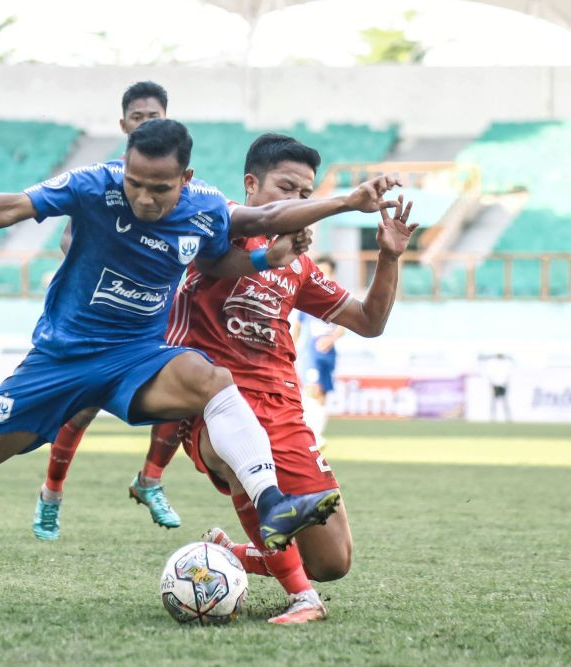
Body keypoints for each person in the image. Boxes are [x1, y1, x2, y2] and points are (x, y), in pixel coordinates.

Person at [0, 119, 401, 607]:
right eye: (135, 183)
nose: (144, 199)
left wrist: (348, 204)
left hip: (136, 358)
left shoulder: (204, 211)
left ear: (187, 181)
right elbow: (13, 205)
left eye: (158, 188)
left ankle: (272, 503)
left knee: (211, 381)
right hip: (62, 358)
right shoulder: (93, 187)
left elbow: (256, 227)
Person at [158, 133, 416, 623]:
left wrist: (388, 257)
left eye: (305, 192)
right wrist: (339, 204)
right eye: (287, 187)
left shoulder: (297, 264)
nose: (297, 200)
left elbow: (369, 322)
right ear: (251, 183)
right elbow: (268, 223)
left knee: (333, 561)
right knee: (227, 451)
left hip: (285, 409)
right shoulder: (219, 223)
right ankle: (303, 599)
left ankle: (233, 555)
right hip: (217, 395)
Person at [36, 80, 184, 540]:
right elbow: (66, 237)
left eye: (156, 116)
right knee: (79, 412)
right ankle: (51, 494)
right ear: (124, 125)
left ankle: (150, 481)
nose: (148, 123)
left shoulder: (176, 185)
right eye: (139, 117)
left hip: (147, 323)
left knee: (183, 397)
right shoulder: (97, 182)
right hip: (94, 321)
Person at [293, 256, 345, 446]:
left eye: (326, 271)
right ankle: (310, 434)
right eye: (319, 270)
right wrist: (290, 347)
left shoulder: (337, 298)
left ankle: (316, 433)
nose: (322, 274)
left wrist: (331, 339)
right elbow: (297, 326)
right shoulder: (306, 295)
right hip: (309, 352)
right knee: (312, 390)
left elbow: (342, 327)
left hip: (328, 354)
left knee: (322, 393)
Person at [483, 352, 513, 421]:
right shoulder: (493, 363)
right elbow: (490, 375)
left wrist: (506, 384)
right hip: (495, 385)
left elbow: (508, 375)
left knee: (504, 402)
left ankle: (508, 418)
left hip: (503, 385)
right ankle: (492, 418)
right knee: (493, 402)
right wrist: (491, 385)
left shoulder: (506, 363)